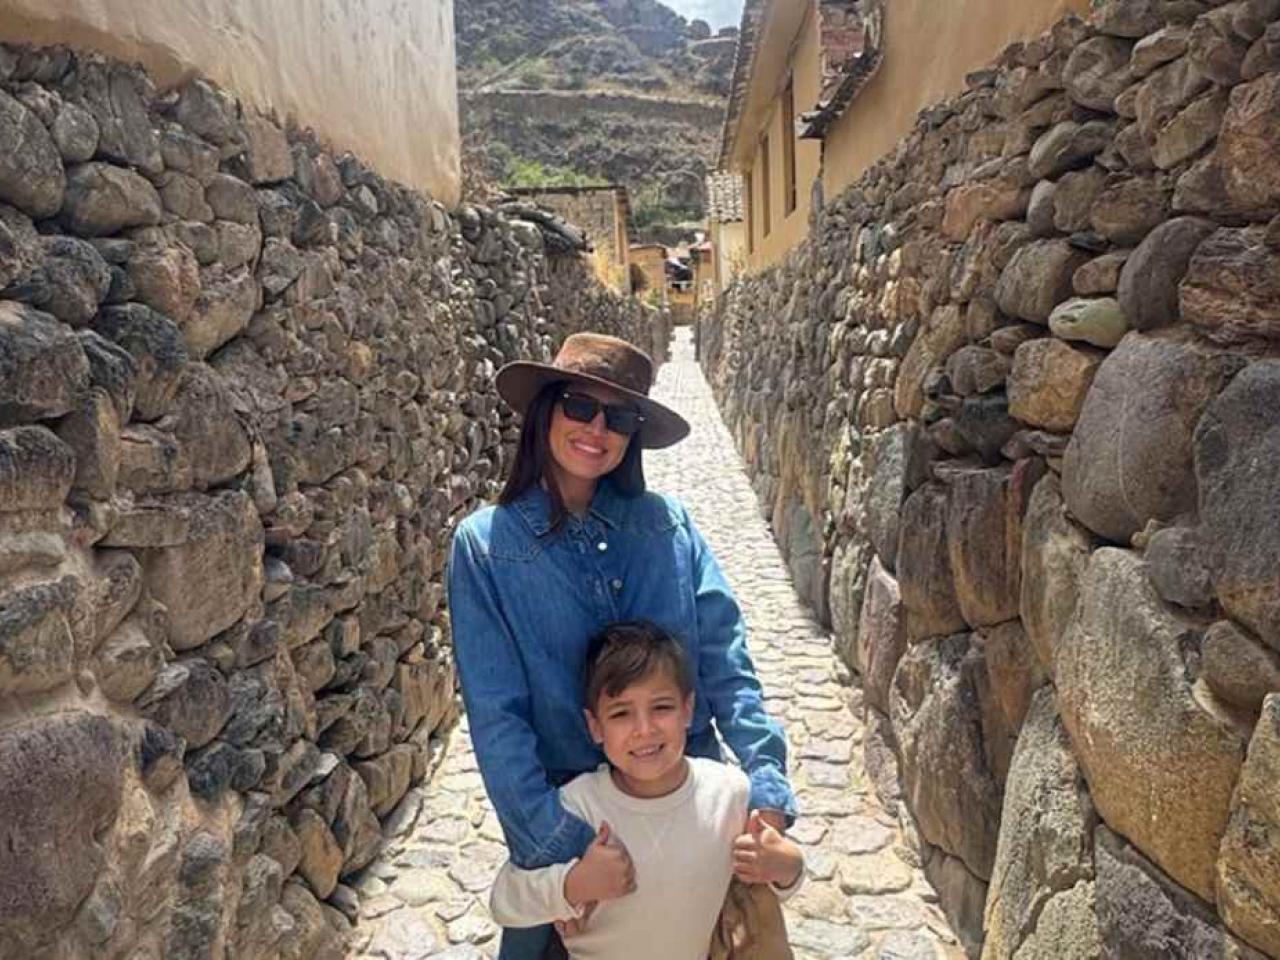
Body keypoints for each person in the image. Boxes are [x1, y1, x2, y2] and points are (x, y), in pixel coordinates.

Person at [448, 332, 798, 959]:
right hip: (575, 830)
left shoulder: (668, 527)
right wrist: (565, 859)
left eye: (620, 416)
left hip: (688, 812)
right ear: (547, 410)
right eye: (580, 406)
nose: (597, 428)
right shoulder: (486, 548)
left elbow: (725, 662)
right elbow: (497, 717)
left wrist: (766, 786)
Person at [488, 621, 803, 959]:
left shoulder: (730, 795)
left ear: (688, 709)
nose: (644, 729)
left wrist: (790, 866)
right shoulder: (578, 807)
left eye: (662, 707)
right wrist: (574, 884)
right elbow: (506, 902)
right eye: (621, 713)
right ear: (595, 726)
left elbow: (765, 883)